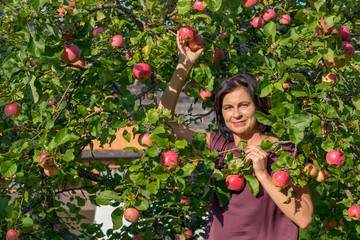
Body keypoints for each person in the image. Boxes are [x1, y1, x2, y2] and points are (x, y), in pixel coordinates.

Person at [158, 32, 313, 240]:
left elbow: (304, 218)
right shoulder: (218, 146)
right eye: (228, 107)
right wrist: (183, 65)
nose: (236, 114)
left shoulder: (284, 152)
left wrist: (263, 175)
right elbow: (164, 123)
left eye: (244, 105)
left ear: (258, 106)